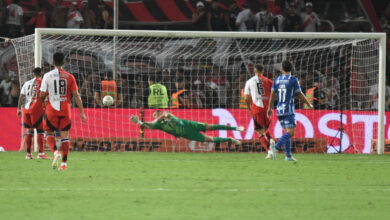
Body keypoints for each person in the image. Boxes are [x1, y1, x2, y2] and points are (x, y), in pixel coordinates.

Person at [39, 52, 87, 170]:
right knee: (65, 136)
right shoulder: (70, 77)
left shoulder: (47, 76)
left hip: (51, 110)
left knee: (48, 133)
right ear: (64, 63)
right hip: (65, 110)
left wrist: (44, 99)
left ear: (53, 62)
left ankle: (55, 152)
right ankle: (64, 164)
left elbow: (41, 94)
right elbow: (76, 95)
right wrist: (82, 112)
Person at [267, 60, 313, 161]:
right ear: (291, 69)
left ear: (282, 69)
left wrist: (269, 108)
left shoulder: (277, 80)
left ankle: (288, 155)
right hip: (288, 110)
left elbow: (272, 95)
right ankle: (275, 148)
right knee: (291, 132)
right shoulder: (293, 80)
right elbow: (299, 94)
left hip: (279, 110)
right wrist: (308, 103)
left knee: (287, 132)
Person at [130, 110, 243, 145]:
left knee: (212, 127)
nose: (155, 117)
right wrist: (139, 122)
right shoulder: (159, 125)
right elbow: (148, 126)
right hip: (187, 134)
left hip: (190, 124)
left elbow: (164, 116)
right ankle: (231, 139)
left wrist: (153, 120)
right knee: (210, 139)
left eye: (156, 115)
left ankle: (235, 128)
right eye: (154, 116)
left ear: (159, 113)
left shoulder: (165, 113)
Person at [17, 67, 49, 159]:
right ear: (41, 74)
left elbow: (21, 96)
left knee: (29, 131)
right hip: (37, 109)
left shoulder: (27, 83)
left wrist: (19, 108)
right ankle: (41, 153)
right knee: (40, 131)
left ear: (33, 74)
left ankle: (28, 154)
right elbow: (44, 95)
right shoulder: (43, 82)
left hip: (27, 109)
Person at [244, 64, 275, 159]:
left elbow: (246, 98)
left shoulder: (249, 82)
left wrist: (249, 109)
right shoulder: (269, 81)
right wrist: (271, 105)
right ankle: (271, 141)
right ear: (263, 71)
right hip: (267, 108)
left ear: (254, 71)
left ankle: (269, 151)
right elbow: (275, 94)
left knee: (259, 132)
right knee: (266, 129)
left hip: (257, 108)